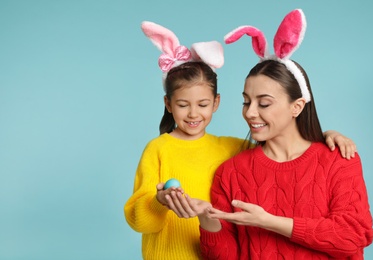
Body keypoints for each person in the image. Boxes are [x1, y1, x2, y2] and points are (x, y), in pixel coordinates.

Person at [124, 20, 358, 259]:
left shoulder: (233, 148)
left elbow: (288, 147)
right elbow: (142, 221)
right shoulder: (215, 162)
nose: (250, 112)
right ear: (169, 104)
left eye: (264, 103)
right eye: (246, 102)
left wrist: (326, 136)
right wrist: (163, 202)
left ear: (216, 103)